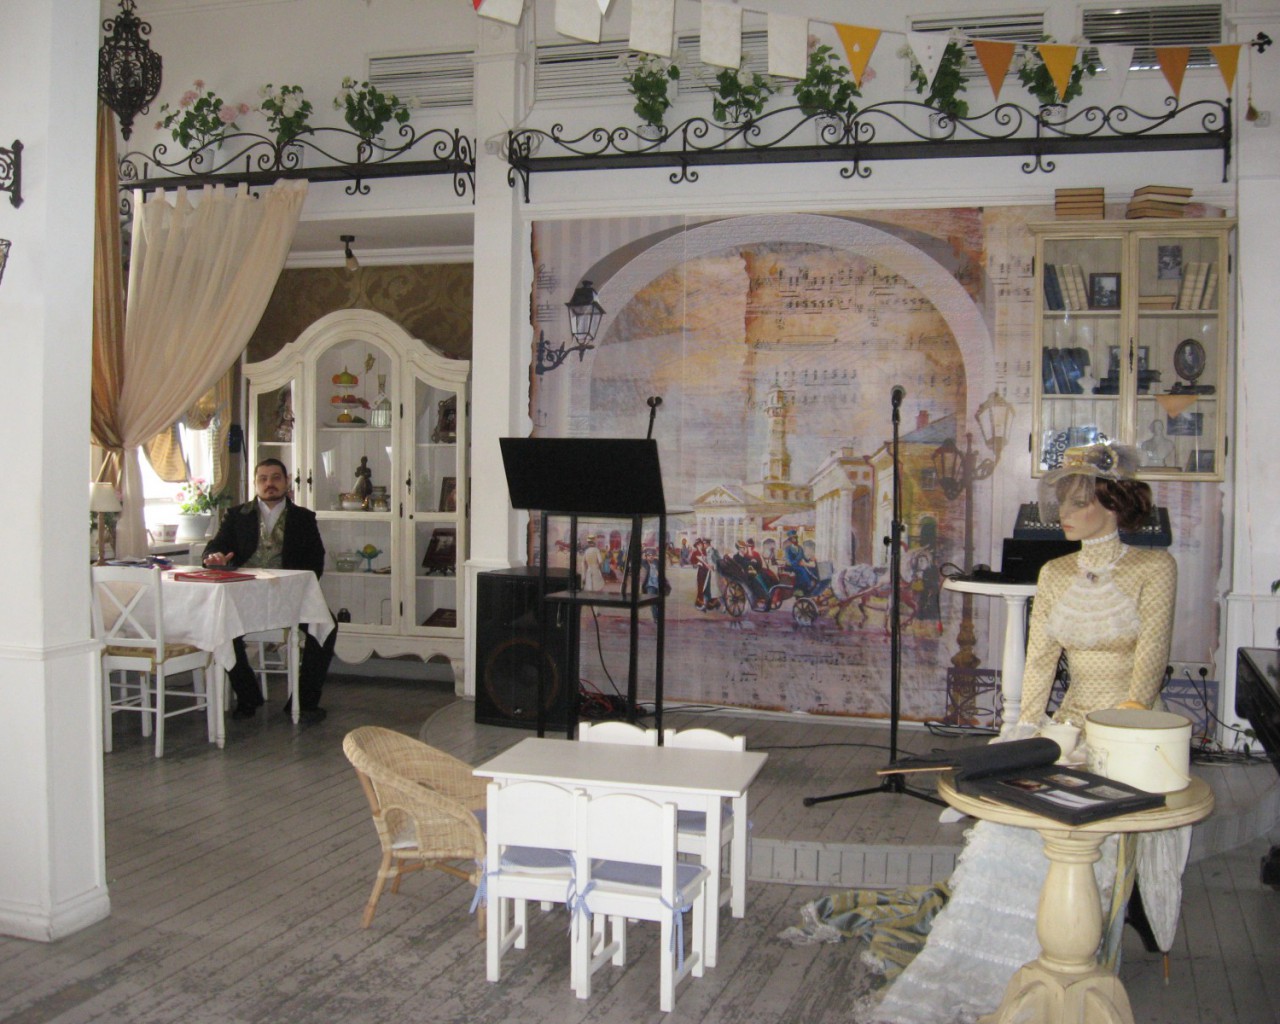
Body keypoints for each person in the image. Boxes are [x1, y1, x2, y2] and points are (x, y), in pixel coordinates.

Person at [786, 442, 1178, 1024]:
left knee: (1077, 830)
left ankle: (1069, 951)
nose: (1063, 513)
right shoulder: (1055, 572)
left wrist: (1101, 742)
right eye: (1061, 501)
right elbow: (1039, 664)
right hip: (1067, 726)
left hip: (1131, 734)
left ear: (1114, 504)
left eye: (1079, 502)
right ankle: (991, 958)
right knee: (1007, 827)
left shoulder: (1154, 568)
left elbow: (1145, 675)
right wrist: (1025, 734)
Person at [203, 458, 338, 724]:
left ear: (286, 482)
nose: (269, 484)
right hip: (245, 595)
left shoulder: (303, 518)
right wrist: (214, 557)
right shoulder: (237, 515)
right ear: (255, 483)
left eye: (276, 478)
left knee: (328, 625)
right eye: (263, 479)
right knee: (221, 624)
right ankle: (247, 695)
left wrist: (295, 586)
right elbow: (214, 548)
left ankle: (305, 701)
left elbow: (315, 562)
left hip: (288, 596)